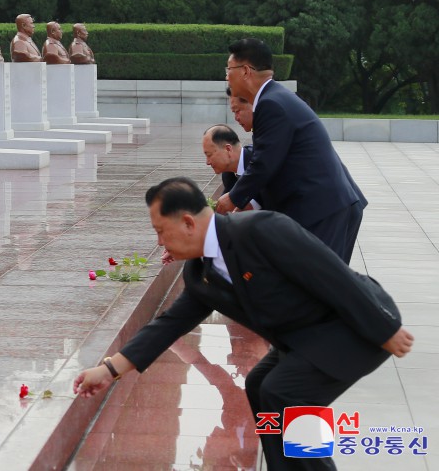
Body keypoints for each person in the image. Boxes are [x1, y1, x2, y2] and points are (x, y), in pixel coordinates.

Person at [74, 177, 413, 471]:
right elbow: (167, 325)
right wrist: (108, 370)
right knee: (260, 385)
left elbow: (334, 276)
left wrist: (384, 330)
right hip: (303, 340)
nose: (160, 242)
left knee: (283, 393)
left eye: (161, 231)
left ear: (189, 223)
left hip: (353, 326)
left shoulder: (262, 230)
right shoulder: (200, 274)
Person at [216, 38, 364, 264]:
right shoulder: (274, 98)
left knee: (323, 287)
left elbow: (264, 163)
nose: (227, 76)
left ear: (245, 71)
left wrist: (234, 198)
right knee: (320, 288)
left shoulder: (271, 104)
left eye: (229, 69)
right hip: (325, 207)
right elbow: (274, 163)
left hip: (325, 209)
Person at [202, 124, 256, 202]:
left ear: (228, 149)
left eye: (209, 155)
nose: (207, 162)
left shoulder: (258, 160)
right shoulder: (228, 173)